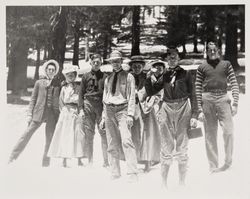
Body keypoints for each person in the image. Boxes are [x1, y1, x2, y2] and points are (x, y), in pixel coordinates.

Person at [145, 48, 198, 187]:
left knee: (182, 147)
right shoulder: (165, 75)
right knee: (166, 147)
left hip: (183, 109)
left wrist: (194, 115)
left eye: (174, 57)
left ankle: (182, 183)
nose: (172, 59)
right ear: (166, 60)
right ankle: (164, 183)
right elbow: (151, 90)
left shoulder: (186, 74)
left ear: (179, 58)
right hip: (166, 109)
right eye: (169, 58)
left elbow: (193, 94)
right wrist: (149, 76)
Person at [195, 41, 239, 173]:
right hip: (207, 99)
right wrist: (199, 109)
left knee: (228, 131)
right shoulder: (202, 67)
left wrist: (235, 102)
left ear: (218, 50)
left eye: (214, 50)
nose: (212, 52)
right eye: (209, 50)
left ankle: (228, 162)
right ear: (206, 52)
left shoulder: (226, 64)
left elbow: (234, 83)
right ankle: (213, 165)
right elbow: (197, 88)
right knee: (210, 134)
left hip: (223, 98)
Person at [8, 60, 61, 167]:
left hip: (51, 115)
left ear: (55, 72)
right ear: (46, 70)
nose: (51, 71)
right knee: (26, 135)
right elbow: (33, 100)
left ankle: (45, 164)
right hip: (38, 113)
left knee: (49, 139)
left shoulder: (58, 84)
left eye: (53, 70)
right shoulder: (39, 83)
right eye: (49, 69)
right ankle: (12, 157)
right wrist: (29, 114)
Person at [102, 50, 138, 182]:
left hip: (122, 110)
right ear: (110, 63)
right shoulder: (108, 79)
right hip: (109, 110)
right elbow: (105, 98)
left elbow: (131, 97)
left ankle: (132, 172)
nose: (115, 64)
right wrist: (103, 117)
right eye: (113, 61)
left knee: (126, 140)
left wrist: (130, 114)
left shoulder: (129, 77)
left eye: (117, 61)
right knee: (111, 143)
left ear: (121, 62)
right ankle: (115, 172)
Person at [47, 64, 85, 167]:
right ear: (66, 76)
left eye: (72, 75)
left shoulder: (79, 87)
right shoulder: (64, 88)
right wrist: (64, 111)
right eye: (68, 75)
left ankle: (79, 159)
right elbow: (61, 102)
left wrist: (79, 111)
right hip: (66, 112)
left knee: (78, 134)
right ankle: (64, 159)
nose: (70, 77)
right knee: (65, 134)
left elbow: (81, 100)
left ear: (75, 75)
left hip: (75, 111)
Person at [129, 56, 161, 172]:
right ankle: (136, 159)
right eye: (134, 66)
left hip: (146, 109)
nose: (137, 68)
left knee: (147, 134)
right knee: (134, 134)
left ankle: (148, 161)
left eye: (139, 66)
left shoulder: (148, 77)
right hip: (132, 109)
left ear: (143, 67)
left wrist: (149, 102)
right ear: (131, 67)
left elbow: (157, 93)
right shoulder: (129, 77)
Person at [78, 54, 109, 167]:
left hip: (100, 105)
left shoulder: (105, 77)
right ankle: (90, 160)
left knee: (104, 133)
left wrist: (105, 110)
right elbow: (81, 94)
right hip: (88, 105)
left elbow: (107, 94)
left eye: (98, 62)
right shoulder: (85, 76)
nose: (96, 64)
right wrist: (81, 109)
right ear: (90, 63)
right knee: (89, 133)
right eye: (94, 62)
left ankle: (106, 161)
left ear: (101, 63)